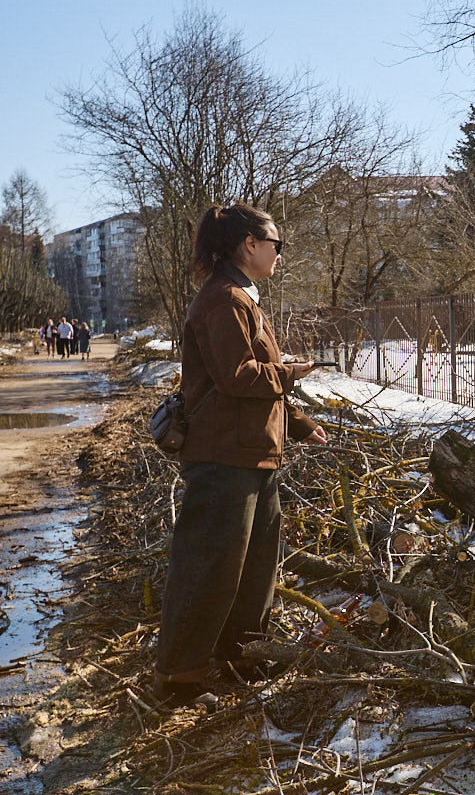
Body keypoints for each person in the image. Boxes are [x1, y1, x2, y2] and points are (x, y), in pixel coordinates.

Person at [153, 204, 327, 710]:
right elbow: (238, 378)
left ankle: (242, 655)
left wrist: (298, 425)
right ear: (249, 244)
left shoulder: (243, 296)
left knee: (255, 567)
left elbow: (249, 384)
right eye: (276, 243)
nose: (279, 253)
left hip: (253, 455)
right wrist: (292, 372)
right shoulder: (224, 299)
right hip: (222, 459)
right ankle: (179, 677)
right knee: (208, 565)